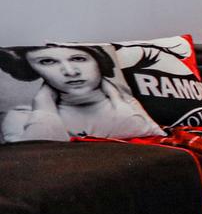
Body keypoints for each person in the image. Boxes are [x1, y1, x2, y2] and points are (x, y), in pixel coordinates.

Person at [0, 44, 164, 142]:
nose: (71, 72)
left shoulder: (127, 104)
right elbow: (35, 162)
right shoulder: (20, 117)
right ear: (33, 70)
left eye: (78, 59)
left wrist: (117, 100)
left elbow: (151, 139)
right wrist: (44, 109)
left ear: (99, 63)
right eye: (47, 62)